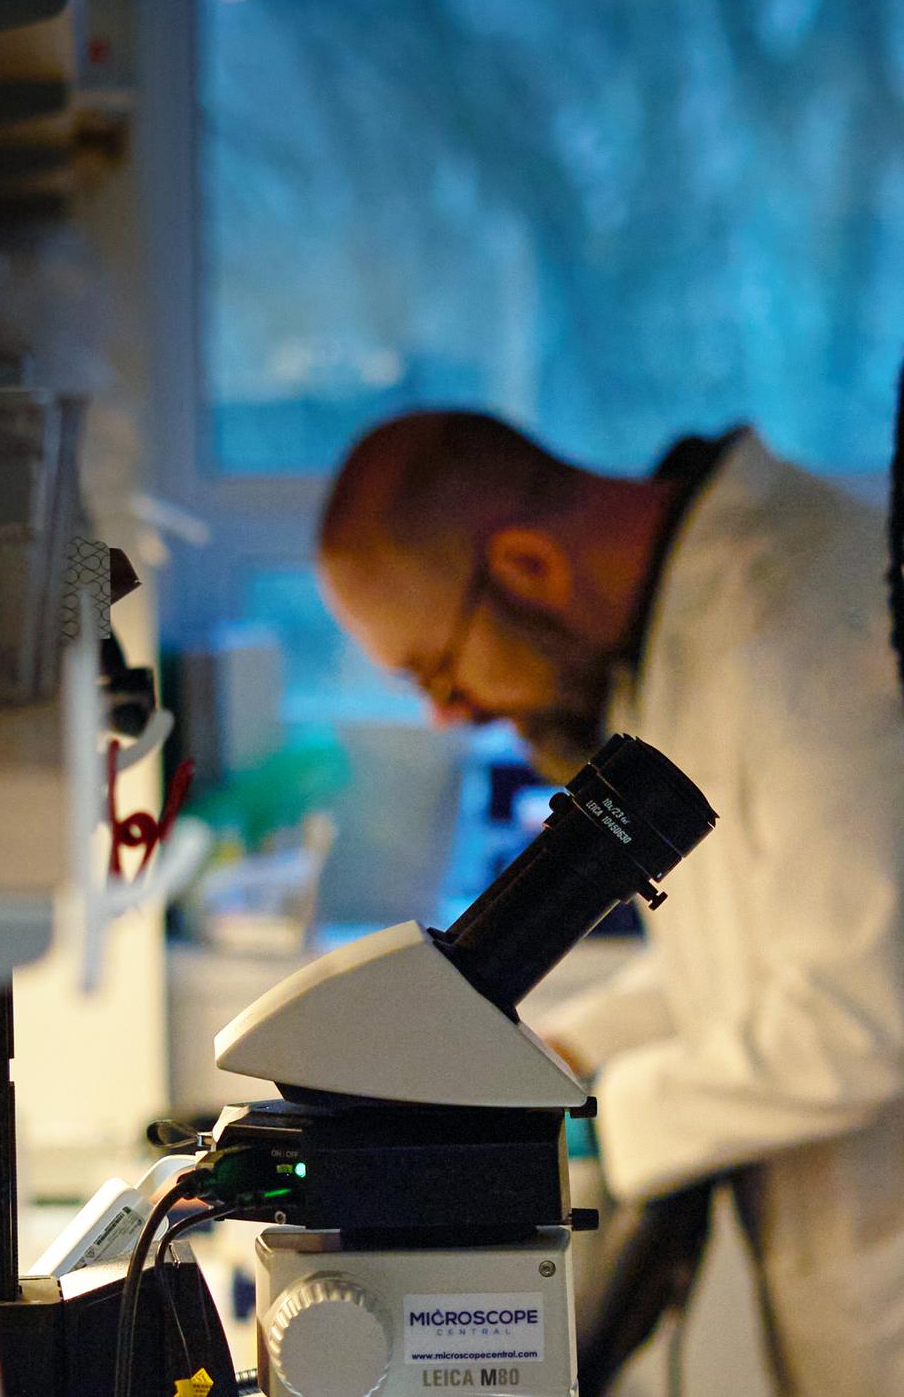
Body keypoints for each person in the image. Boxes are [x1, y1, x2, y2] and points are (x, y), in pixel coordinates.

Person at [317, 409, 904, 1396]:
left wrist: (599, 1118)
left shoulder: (800, 629)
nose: (447, 715)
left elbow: (864, 1010)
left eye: (438, 671)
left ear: (529, 565)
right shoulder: (686, 615)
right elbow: (747, 956)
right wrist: (556, 1058)